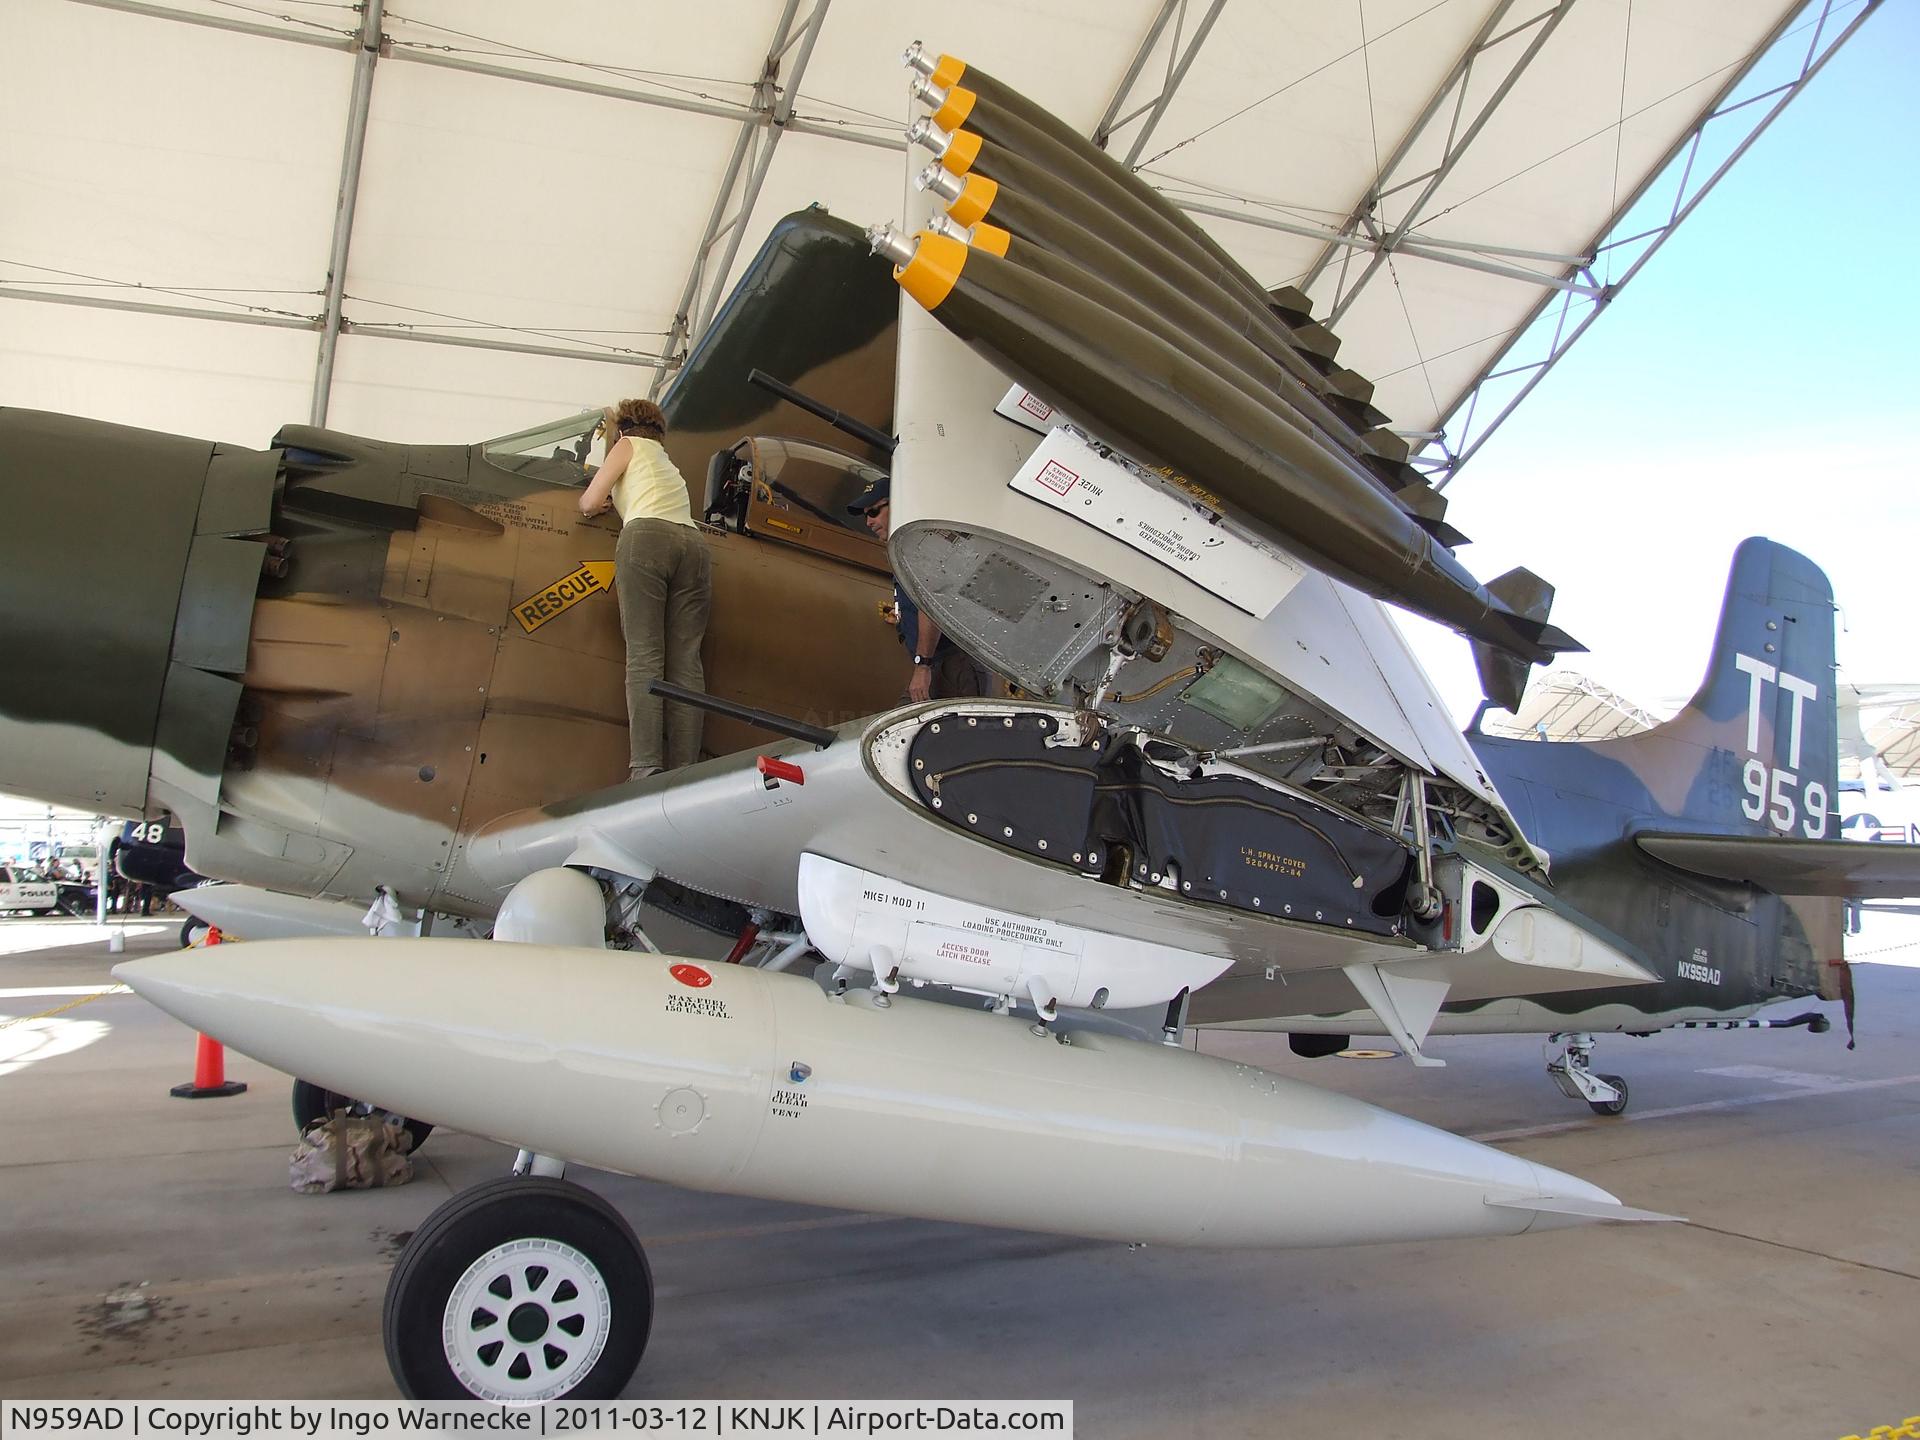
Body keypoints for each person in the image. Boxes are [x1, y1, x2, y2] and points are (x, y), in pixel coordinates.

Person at [578, 399, 713, 780]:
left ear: (623, 429)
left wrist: (597, 504)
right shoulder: (667, 461)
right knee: (687, 661)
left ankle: (647, 766)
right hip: (694, 545)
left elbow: (588, 500)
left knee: (644, 655)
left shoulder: (626, 445)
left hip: (647, 537)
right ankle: (686, 768)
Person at [848, 478, 990, 703]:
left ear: (899, 504)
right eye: (866, 515)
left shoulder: (920, 547)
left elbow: (932, 605)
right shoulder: (906, 548)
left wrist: (923, 666)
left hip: (950, 665)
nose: (869, 522)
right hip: (939, 664)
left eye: (874, 512)